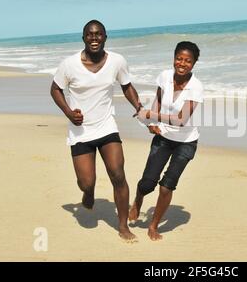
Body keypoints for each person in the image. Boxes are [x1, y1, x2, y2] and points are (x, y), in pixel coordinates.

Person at [50, 20, 143, 241]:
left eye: (98, 34)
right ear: (83, 37)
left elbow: (126, 85)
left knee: (118, 174)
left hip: (106, 126)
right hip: (80, 131)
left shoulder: (117, 61)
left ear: (105, 37)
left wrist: (139, 107)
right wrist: (69, 113)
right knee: (86, 182)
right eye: (90, 35)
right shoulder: (69, 64)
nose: (94, 38)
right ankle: (88, 193)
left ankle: (123, 226)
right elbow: (55, 89)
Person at [130, 41, 203, 241]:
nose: (182, 63)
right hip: (163, 136)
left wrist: (151, 114)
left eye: (188, 60)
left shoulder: (196, 87)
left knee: (167, 185)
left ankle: (153, 225)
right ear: (173, 58)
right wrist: (150, 122)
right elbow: (159, 101)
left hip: (186, 141)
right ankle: (138, 200)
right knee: (147, 183)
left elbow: (181, 120)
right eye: (179, 58)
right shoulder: (164, 77)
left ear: (194, 63)